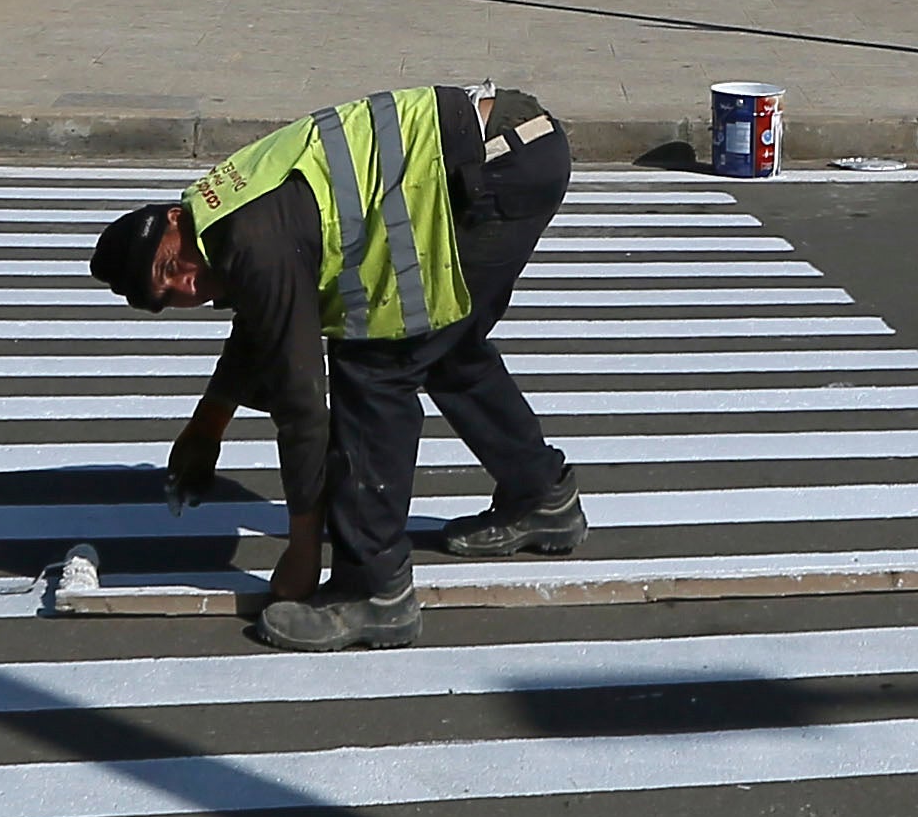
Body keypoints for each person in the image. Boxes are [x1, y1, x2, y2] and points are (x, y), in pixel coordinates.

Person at [89, 81, 580, 649]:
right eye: (170, 293)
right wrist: (208, 426)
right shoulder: (217, 214)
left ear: (174, 220)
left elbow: (302, 407)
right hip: (514, 148)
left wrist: (303, 551)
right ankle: (542, 498)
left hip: (490, 168)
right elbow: (260, 321)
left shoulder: (250, 238)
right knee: (446, 345)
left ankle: (373, 592)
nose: (187, 284)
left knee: (375, 364)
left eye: (174, 266)